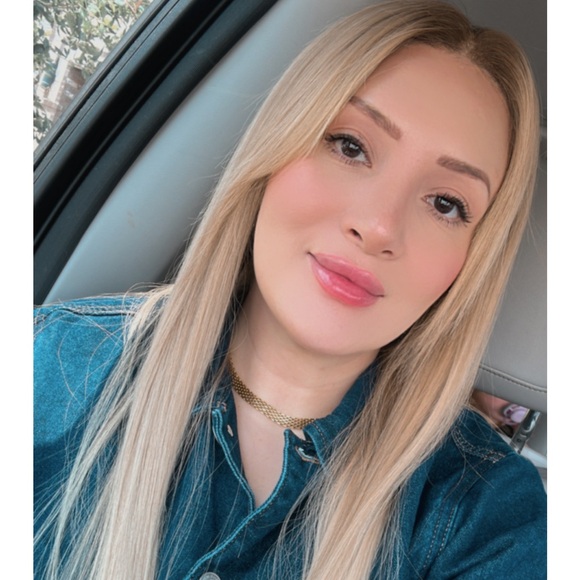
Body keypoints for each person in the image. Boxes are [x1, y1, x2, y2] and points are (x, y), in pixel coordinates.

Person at [34, 1, 547, 578]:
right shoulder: (52, 363)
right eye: (350, 146)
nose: (379, 226)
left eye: (447, 204)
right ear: (277, 146)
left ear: (471, 261)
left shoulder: (488, 517)